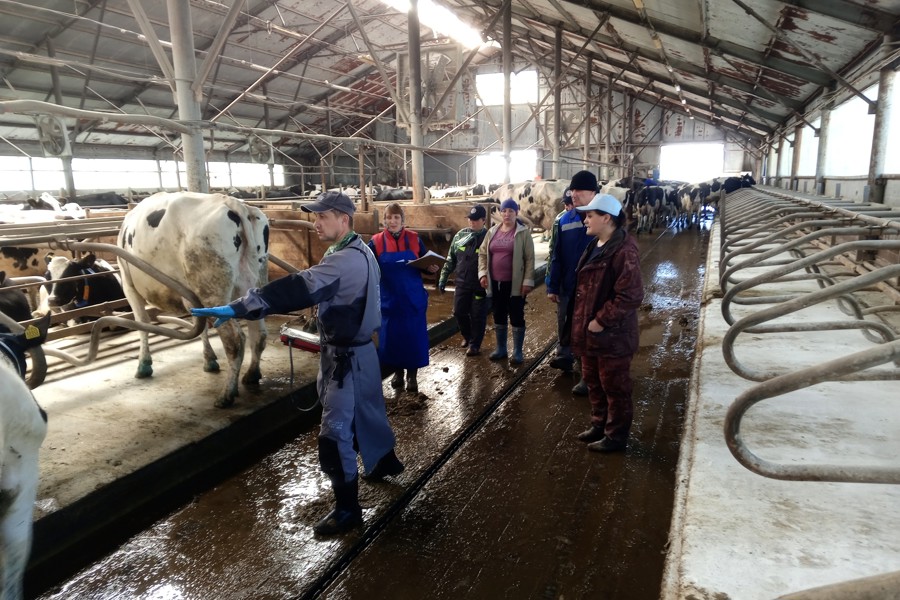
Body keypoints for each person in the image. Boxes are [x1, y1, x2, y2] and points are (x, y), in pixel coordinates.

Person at [190, 191, 404, 536]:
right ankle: (385, 461)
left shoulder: (342, 261)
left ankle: (348, 509)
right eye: (315, 216)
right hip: (362, 351)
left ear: (344, 220)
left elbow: (297, 286)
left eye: (322, 217)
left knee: (334, 435)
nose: (315, 223)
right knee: (367, 411)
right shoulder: (361, 249)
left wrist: (240, 307)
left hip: (346, 359)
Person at [570, 193, 644, 453]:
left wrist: (601, 320)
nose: (585, 220)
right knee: (594, 382)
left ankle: (616, 436)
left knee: (615, 387)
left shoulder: (624, 251)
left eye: (590, 215)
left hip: (612, 337)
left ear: (606, 218)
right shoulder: (596, 245)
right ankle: (599, 425)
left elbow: (631, 295)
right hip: (591, 335)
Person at [368, 202, 439, 393]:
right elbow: (367, 267)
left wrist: (431, 268)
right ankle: (397, 373)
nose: (393, 221)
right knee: (393, 340)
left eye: (396, 217)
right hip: (389, 301)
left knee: (413, 339)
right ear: (384, 221)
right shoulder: (375, 242)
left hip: (412, 300)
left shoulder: (415, 239)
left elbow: (426, 261)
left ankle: (412, 377)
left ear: (403, 220)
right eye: (389, 218)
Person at [545, 171, 598, 397]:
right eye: (573, 190)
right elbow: (555, 254)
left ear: (593, 192)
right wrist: (552, 285)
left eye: (579, 190)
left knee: (588, 329)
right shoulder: (563, 220)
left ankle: (587, 374)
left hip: (593, 288)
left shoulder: (603, 218)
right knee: (565, 321)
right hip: (568, 284)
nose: (573, 194)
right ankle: (566, 356)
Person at [478, 198, 535, 364]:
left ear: (516, 213)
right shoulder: (492, 231)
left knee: (516, 314)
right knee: (498, 313)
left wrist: (528, 281)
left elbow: (530, 259)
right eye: (504, 211)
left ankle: (517, 351)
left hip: (515, 283)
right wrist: (482, 274)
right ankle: (501, 348)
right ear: (500, 213)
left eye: (511, 211)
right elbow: (482, 254)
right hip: (495, 282)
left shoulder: (523, 233)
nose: (507, 214)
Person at [438, 204, 489, 357]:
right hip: (461, 283)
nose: (472, 222)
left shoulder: (489, 237)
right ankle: (467, 336)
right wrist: (443, 278)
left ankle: (475, 344)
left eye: (475, 220)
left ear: (483, 220)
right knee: (459, 312)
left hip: (480, 285)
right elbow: (450, 259)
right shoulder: (460, 236)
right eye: (470, 219)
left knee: (478, 315)